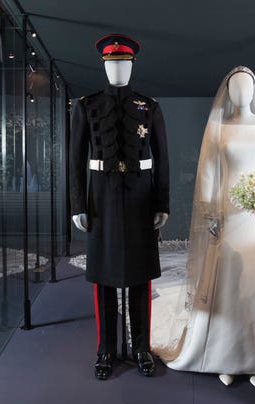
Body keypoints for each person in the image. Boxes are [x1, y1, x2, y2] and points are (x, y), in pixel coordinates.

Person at [152, 66, 255, 388]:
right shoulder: (218, 128)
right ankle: (225, 357)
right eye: (234, 87)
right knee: (227, 282)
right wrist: (209, 214)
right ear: (228, 92)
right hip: (226, 213)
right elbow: (207, 171)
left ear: (254, 90)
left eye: (246, 86)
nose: (240, 93)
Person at [69, 34, 169, 380]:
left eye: (123, 63)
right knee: (105, 279)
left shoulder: (148, 106)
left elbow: (162, 160)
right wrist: (78, 204)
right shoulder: (86, 106)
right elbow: (75, 159)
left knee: (139, 277)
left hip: (141, 199)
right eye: (112, 63)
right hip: (102, 200)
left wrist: (162, 202)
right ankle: (106, 349)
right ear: (104, 65)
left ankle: (141, 347)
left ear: (132, 65)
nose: (118, 69)